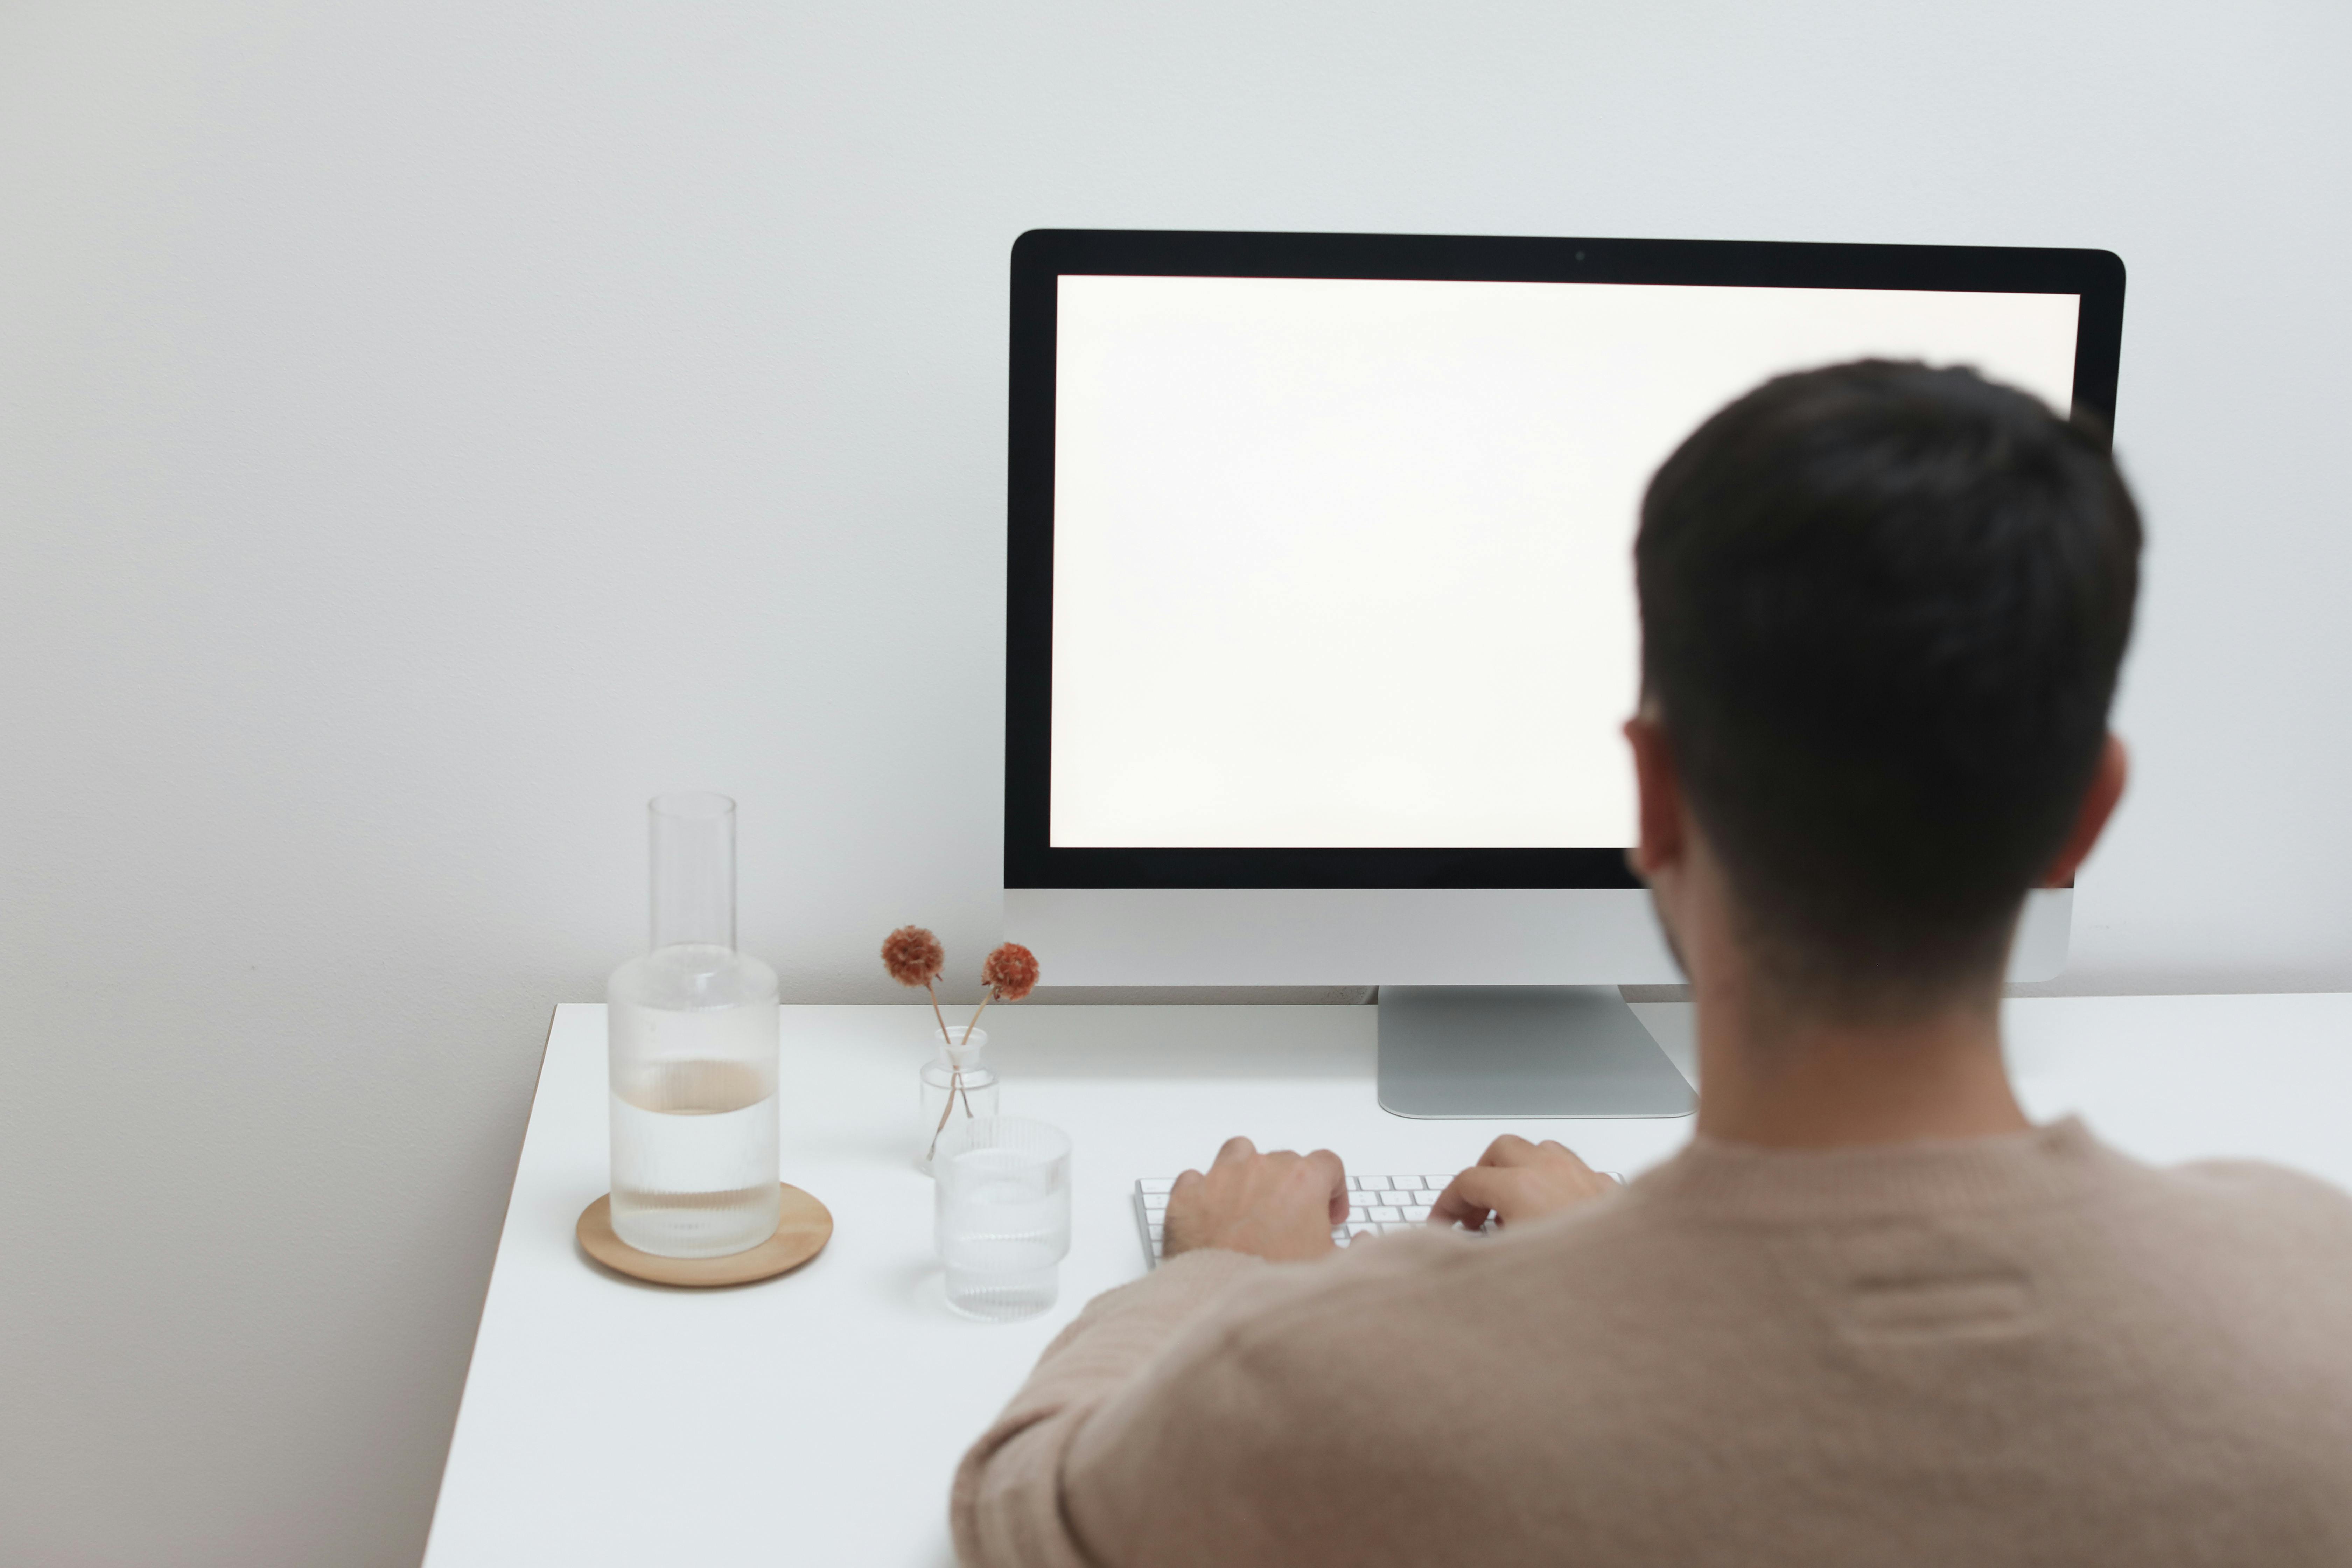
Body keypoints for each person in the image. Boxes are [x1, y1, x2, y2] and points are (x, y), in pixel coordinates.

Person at [950, 361, 2352, 1567]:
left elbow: (1022, 1510)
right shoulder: (2314, 1307)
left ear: (1655, 793)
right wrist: (1623, 1257)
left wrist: (1211, 1283)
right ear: (2088, 812)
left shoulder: (1335, 1384)